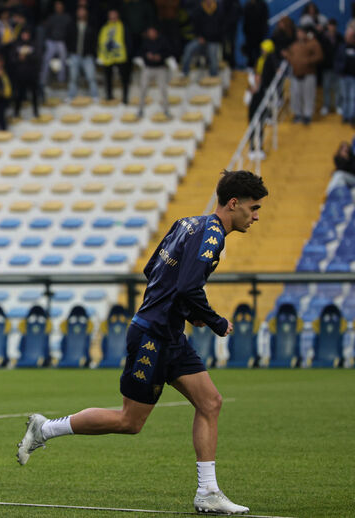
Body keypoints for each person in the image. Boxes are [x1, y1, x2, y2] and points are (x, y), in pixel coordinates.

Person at [17, 170, 268, 516]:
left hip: (169, 332)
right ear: (234, 203)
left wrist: (184, 310)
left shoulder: (186, 223)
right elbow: (186, 288)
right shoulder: (212, 236)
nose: (255, 216)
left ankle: (208, 492)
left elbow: (153, 270)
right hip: (153, 335)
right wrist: (215, 320)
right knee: (129, 422)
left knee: (210, 402)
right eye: (253, 208)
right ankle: (45, 428)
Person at [247, 39, 280, 159]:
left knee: (260, 127)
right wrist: (252, 88)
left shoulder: (270, 60)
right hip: (253, 110)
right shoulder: (252, 87)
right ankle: (251, 148)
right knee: (252, 128)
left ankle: (259, 147)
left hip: (261, 103)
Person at [284, 27, 323, 125]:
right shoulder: (295, 45)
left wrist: (308, 61)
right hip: (296, 73)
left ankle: (307, 115)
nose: (299, 34)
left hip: (308, 73)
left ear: (305, 33)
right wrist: (288, 56)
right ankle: (297, 114)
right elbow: (290, 55)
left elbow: (319, 56)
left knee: (308, 96)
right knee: (296, 95)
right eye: (297, 33)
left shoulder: (313, 43)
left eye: (300, 32)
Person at [136, 27, 173, 119]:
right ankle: (140, 110)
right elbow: (140, 52)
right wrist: (147, 56)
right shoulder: (145, 42)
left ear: (156, 33)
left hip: (160, 68)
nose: (151, 34)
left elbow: (169, 52)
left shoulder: (163, 41)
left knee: (163, 89)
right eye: (150, 33)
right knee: (143, 88)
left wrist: (160, 56)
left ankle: (166, 110)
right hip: (148, 68)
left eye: (153, 32)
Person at [181, 0, 222, 78]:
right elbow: (195, 25)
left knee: (213, 55)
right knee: (188, 48)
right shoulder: (199, 9)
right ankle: (184, 72)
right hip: (201, 38)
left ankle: (213, 75)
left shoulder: (218, 9)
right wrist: (199, 36)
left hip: (213, 40)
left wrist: (216, 38)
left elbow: (221, 26)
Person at [66, 6, 99, 101]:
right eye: (79, 11)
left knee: (91, 77)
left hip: (87, 56)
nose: (81, 13)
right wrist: (69, 54)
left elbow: (94, 41)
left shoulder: (91, 26)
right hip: (74, 55)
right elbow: (67, 40)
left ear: (86, 13)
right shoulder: (72, 25)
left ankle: (95, 95)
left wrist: (94, 54)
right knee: (73, 77)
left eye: (83, 11)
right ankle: (71, 95)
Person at [97, 10, 131, 103]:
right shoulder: (105, 27)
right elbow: (101, 41)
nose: (113, 18)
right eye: (111, 16)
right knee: (108, 77)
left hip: (120, 56)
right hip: (107, 56)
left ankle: (125, 98)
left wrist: (129, 53)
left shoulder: (123, 26)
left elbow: (128, 40)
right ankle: (109, 96)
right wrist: (100, 56)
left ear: (118, 16)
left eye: (114, 15)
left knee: (124, 78)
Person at [10, 28, 40, 118]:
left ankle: (35, 111)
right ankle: (16, 111)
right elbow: (12, 58)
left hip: (32, 74)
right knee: (18, 94)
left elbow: (38, 57)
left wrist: (26, 57)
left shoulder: (34, 44)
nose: (25, 36)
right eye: (24, 34)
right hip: (20, 74)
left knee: (34, 94)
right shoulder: (16, 44)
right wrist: (19, 59)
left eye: (27, 34)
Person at [41, 1, 71, 87]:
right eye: (57, 6)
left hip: (62, 42)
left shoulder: (67, 18)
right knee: (46, 58)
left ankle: (61, 80)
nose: (58, 7)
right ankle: (43, 80)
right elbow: (47, 31)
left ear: (63, 7)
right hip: (51, 41)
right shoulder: (51, 17)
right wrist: (47, 42)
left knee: (63, 58)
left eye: (60, 6)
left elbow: (69, 32)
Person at [320, 20, 342, 116]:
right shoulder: (323, 38)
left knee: (338, 88)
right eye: (330, 25)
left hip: (338, 67)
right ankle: (326, 106)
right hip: (327, 66)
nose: (332, 27)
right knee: (326, 88)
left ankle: (338, 106)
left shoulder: (339, 37)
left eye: (333, 25)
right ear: (328, 26)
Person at [242, 0, 269, 70]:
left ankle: (258, 68)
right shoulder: (247, 5)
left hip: (259, 33)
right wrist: (245, 30)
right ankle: (249, 67)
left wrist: (264, 31)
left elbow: (265, 18)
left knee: (258, 52)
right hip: (249, 34)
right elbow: (245, 19)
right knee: (249, 52)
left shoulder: (262, 4)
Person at [338, 26, 355, 125]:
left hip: (354, 76)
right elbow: (337, 60)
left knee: (353, 97)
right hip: (344, 76)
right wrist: (339, 71)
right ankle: (346, 116)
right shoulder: (342, 47)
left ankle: (352, 116)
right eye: (349, 35)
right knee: (345, 97)